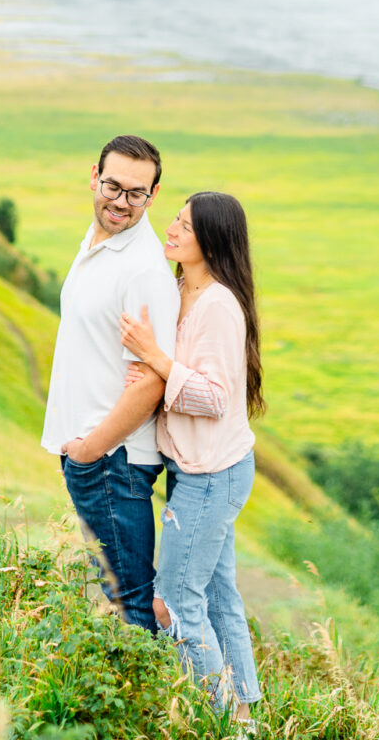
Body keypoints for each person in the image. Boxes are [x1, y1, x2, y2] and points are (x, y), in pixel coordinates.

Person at [119, 190, 264, 722]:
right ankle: (243, 718)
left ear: (212, 240)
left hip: (212, 476)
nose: (172, 229)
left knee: (174, 603)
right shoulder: (180, 288)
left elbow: (213, 397)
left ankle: (220, 722)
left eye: (186, 225)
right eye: (175, 219)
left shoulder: (218, 306)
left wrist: (155, 359)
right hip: (198, 471)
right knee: (219, 597)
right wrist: (151, 373)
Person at [41, 133, 179, 632]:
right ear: (94, 178)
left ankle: (162, 688)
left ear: (153, 195)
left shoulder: (143, 271)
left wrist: (89, 451)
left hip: (113, 460)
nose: (121, 202)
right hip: (97, 456)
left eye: (136, 193)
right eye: (113, 186)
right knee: (120, 600)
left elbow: (152, 383)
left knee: (131, 607)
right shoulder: (97, 241)